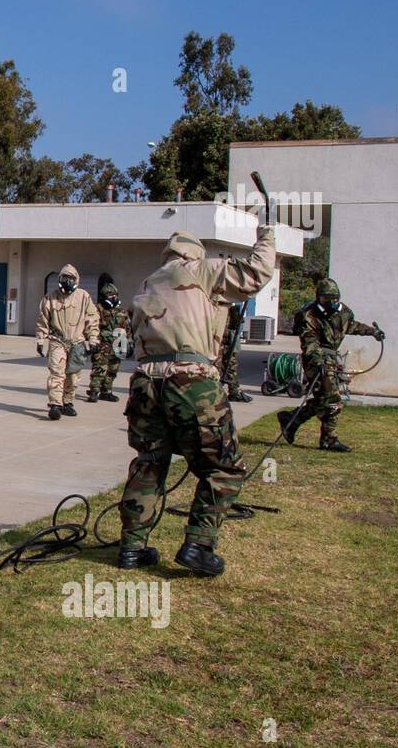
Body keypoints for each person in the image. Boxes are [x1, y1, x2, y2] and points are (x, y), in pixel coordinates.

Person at [116, 225, 276, 576]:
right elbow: (256, 273)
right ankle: (198, 546)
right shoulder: (200, 269)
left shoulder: (147, 282)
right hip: (191, 381)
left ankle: (131, 548)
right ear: (195, 253)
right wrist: (266, 237)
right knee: (224, 467)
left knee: (150, 462)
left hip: (145, 383)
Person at [278, 278, 384, 453]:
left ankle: (291, 420)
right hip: (315, 361)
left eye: (335, 298)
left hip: (331, 360)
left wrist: (373, 332)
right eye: (328, 299)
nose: (332, 302)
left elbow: (351, 326)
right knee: (333, 400)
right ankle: (329, 440)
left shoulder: (343, 313)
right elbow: (309, 343)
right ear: (319, 298)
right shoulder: (308, 315)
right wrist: (317, 361)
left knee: (322, 400)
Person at [36, 264, 98, 420]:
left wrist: (93, 340)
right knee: (57, 373)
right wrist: (40, 340)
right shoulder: (50, 298)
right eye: (64, 278)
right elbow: (43, 320)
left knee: (73, 375)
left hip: (77, 342)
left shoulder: (84, 297)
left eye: (71, 278)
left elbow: (92, 319)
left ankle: (68, 402)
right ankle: (55, 405)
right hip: (58, 341)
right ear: (59, 279)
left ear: (76, 279)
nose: (67, 281)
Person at [87, 280, 130, 403]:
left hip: (117, 344)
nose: (114, 298)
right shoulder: (97, 310)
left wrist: (128, 342)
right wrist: (93, 341)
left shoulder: (121, 311)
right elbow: (92, 326)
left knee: (112, 369)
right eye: (111, 296)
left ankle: (106, 391)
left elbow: (127, 328)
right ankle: (94, 391)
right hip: (103, 345)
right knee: (99, 368)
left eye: (115, 295)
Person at [218, 300, 252, 402]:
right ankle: (216, 392)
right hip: (217, 344)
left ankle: (234, 392)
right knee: (216, 368)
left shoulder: (231, 310)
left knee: (232, 366)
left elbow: (234, 327)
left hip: (229, 343)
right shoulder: (214, 309)